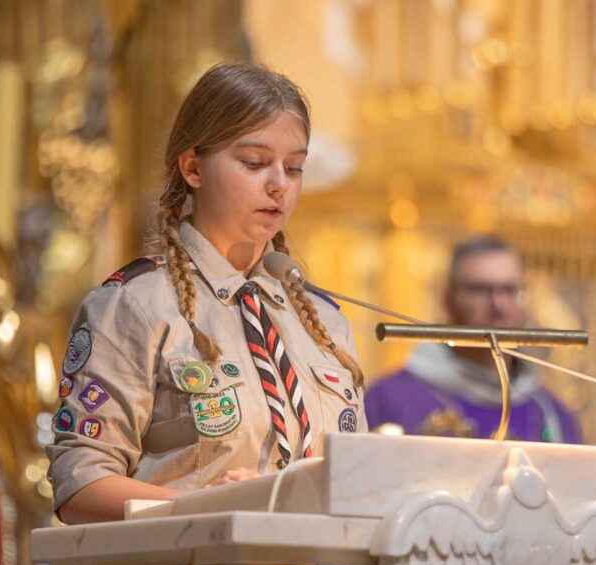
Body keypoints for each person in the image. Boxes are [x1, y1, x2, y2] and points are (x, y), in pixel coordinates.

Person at [47, 62, 366, 524]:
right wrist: (209, 507)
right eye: (254, 163)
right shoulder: (136, 305)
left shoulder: (323, 322)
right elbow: (80, 486)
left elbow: (356, 485)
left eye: (294, 168)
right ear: (194, 167)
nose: (279, 184)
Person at [365, 236, 580, 444]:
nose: (499, 306)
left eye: (510, 290)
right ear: (448, 299)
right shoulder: (389, 400)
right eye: (481, 290)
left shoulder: (550, 413)